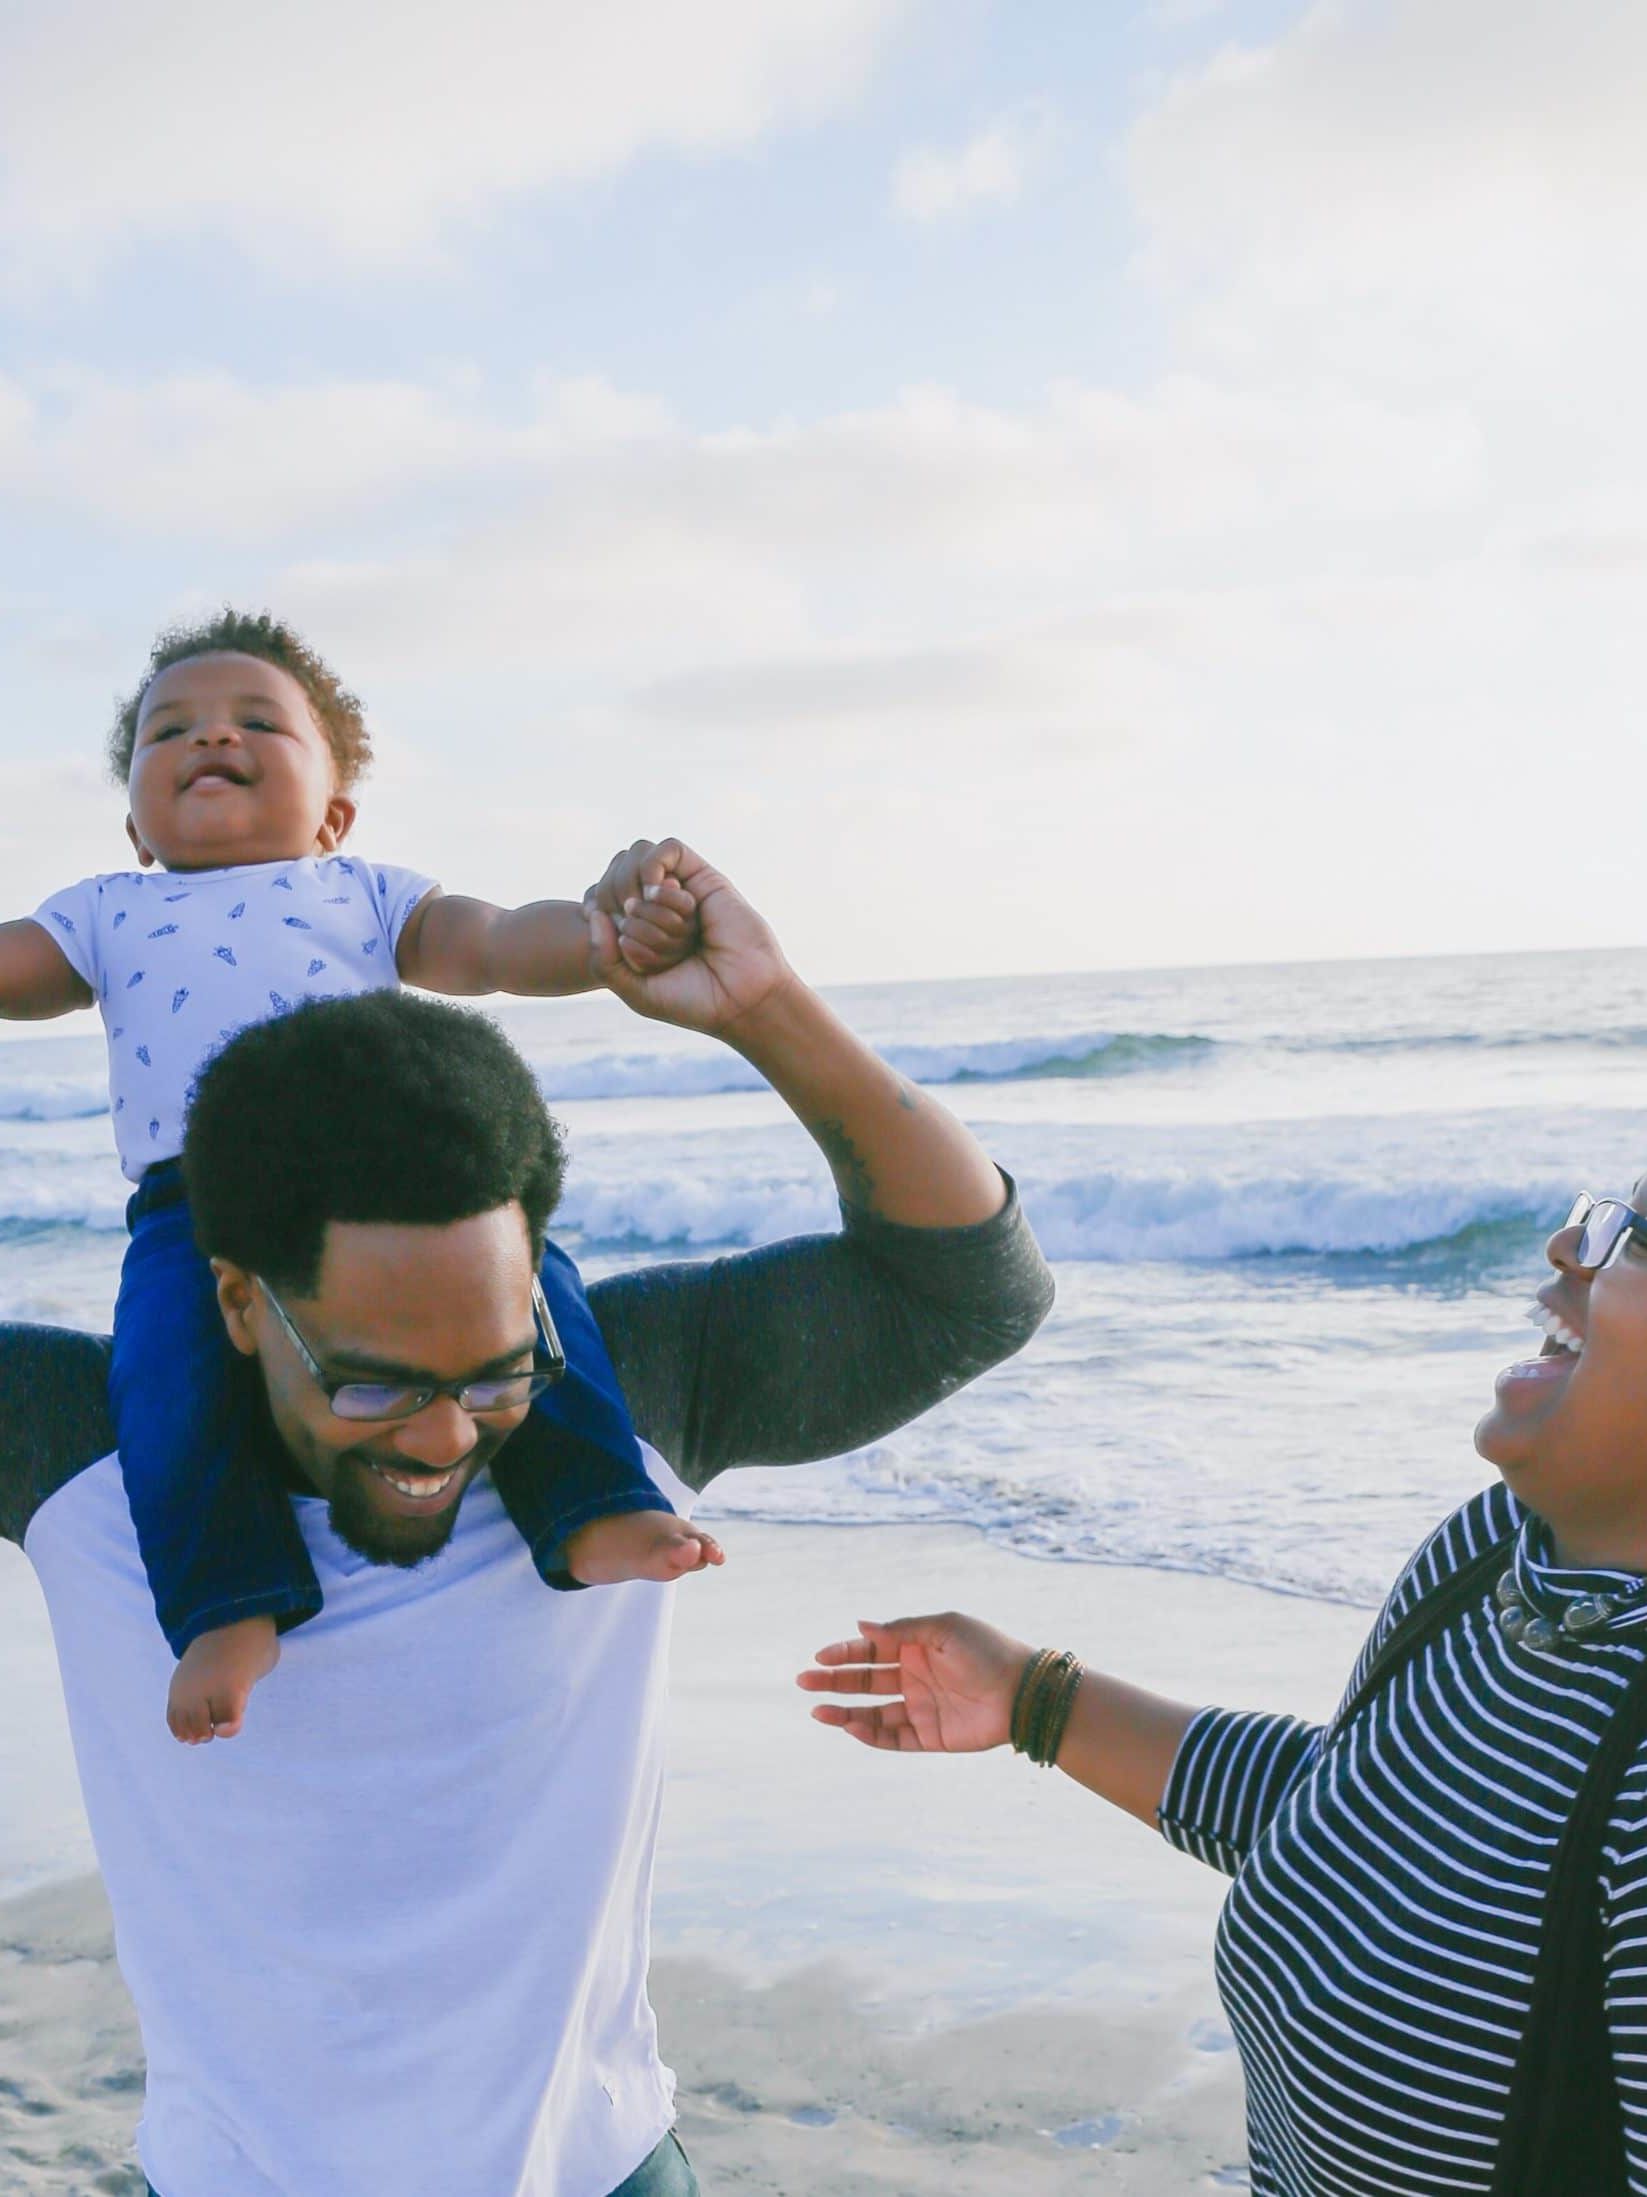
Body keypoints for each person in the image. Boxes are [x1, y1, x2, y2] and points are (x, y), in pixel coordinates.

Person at [0, 841, 1054, 2197]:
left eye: (494, 1370)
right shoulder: (78, 1457)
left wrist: (764, 1007)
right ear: (238, 1302)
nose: (443, 1437)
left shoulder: (617, 1410)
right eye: (372, 1381)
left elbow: (967, 1290)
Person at [800, 1188, 1647, 2196]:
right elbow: (1358, 1821)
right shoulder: (1485, 1556)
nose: (1569, 1246)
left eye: (1635, 1235)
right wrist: (1035, 1699)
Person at [0, 608, 714, 1746]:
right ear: (136, 821)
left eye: (254, 722)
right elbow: (11, 971)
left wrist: (596, 939)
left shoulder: (365, 893)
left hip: (393, 1169)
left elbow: (488, 944)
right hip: (200, 1204)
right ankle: (228, 1605)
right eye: (166, 731)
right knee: (164, 1383)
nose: (206, 738)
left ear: (334, 813)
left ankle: (594, 1503)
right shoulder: (105, 911)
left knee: (534, 1300)